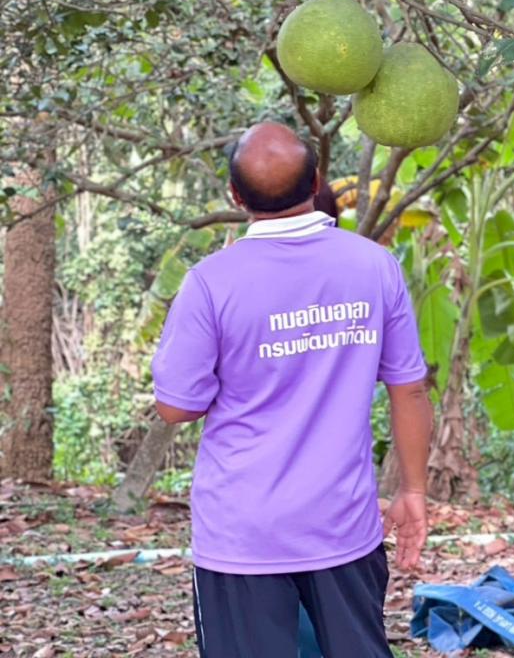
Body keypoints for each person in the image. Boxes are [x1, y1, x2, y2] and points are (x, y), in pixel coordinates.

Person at [151, 122, 433, 658]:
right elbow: (409, 389)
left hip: (242, 534)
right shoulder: (374, 265)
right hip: (343, 523)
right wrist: (413, 490)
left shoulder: (211, 282)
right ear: (316, 181)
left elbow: (176, 407)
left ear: (235, 196)